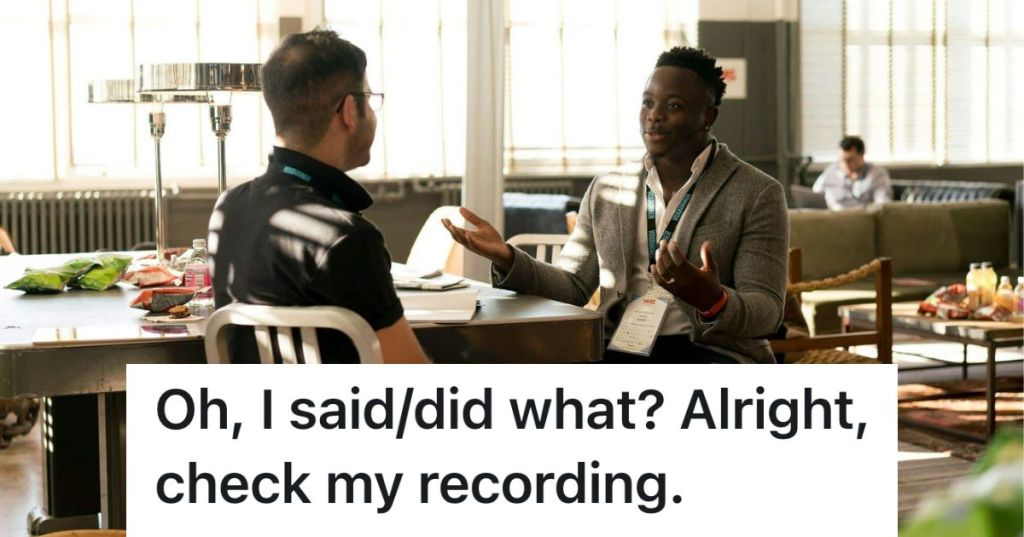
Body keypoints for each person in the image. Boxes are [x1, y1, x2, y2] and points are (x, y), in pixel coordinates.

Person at [443, 47, 788, 364]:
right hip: (621, 348)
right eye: (648, 103)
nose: (654, 116)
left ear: (708, 117)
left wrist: (712, 299)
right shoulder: (608, 189)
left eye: (674, 106)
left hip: (711, 351)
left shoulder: (756, 192)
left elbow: (768, 311)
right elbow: (573, 287)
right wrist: (506, 256)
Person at [208, 29, 428, 364]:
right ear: (349, 111)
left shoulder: (229, 207)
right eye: (369, 99)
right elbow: (411, 377)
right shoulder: (347, 238)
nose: (371, 110)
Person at [812, 136, 892, 210]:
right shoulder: (832, 171)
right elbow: (815, 194)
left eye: (850, 160)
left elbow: (882, 204)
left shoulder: (877, 174)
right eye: (842, 160)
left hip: (862, 217)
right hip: (834, 218)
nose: (845, 164)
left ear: (862, 155)